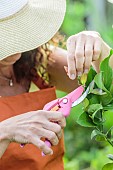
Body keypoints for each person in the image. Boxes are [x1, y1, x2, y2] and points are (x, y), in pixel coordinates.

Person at [0, 0, 113, 170]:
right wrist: (5, 132)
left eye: (18, 29)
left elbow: (104, 87)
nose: (16, 47)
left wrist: (99, 51)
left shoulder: (38, 60)